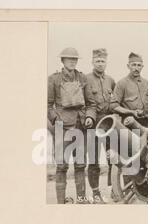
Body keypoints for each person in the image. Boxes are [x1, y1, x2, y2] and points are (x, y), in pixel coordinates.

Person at [47, 47, 97, 204]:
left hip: (80, 125)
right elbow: (47, 105)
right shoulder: (54, 79)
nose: (72, 62)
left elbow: (91, 103)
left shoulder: (82, 78)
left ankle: (81, 199)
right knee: (61, 166)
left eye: (75, 59)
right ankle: (61, 202)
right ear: (62, 61)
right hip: (62, 128)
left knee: (81, 165)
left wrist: (90, 116)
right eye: (69, 59)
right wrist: (56, 119)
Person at [85, 48, 119, 204]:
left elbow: (115, 102)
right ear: (92, 62)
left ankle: (114, 190)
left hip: (109, 124)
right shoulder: (85, 80)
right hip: (92, 124)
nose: (100, 63)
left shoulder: (111, 80)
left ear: (106, 62)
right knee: (93, 161)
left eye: (103, 61)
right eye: (97, 61)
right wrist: (89, 118)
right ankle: (96, 192)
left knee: (113, 157)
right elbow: (83, 103)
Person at [113, 52, 148, 128]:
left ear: (142, 66)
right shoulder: (122, 83)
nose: (136, 68)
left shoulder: (146, 83)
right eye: (133, 65)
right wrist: (132, 112)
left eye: (139, 65)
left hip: (146, 125)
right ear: (128, 66)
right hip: (130, 125)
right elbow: (114, 106)